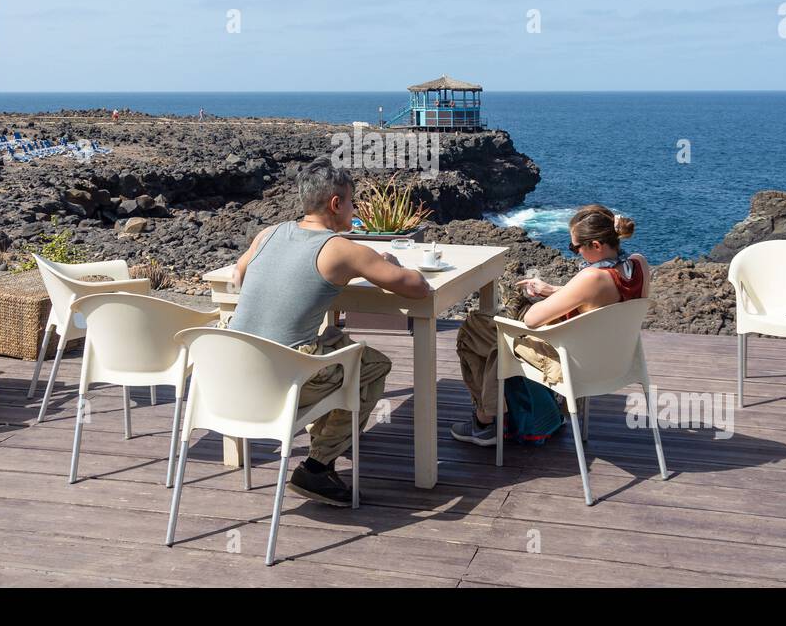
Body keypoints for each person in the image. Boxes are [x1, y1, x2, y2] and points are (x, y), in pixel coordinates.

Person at [225, 157, 431, 505]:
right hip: (285, 382)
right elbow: (418, 289)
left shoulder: (267, 234)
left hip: (231, 377)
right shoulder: (341, 250)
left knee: (335, 344)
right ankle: (318, 466)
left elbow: (238, 274)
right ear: (336, 204)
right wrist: (390, 265)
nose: (355, 210)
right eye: (352, 202)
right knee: (372, 365)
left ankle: (325, 441)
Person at [451, 204, 648, 445]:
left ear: (596, 245)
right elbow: (602, 297)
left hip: (574, 365)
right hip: (615, 360)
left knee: (474, 330)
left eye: (575, 247)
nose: (575, 252)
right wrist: (554, 290)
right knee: (491, 336)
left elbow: (531, 320)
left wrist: (539, 297)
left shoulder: (592, 277)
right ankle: (513, 416)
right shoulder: (639, 265)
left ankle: (487, 421)